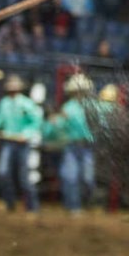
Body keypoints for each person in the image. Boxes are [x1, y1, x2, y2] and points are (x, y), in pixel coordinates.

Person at [0, 74, 43, 214]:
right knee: (3, 173)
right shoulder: (4, 103)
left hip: (22, 144)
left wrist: (26, 134)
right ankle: (9, 203)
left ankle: (33, 207)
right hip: (9, 143)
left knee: (24, 177)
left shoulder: (26, 103)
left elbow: (36, 121)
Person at [45, 73, 96, 214]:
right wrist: (55, 122)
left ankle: (81, 204)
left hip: (86, 146)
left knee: (87, 179)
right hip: (73, 146)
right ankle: (74, 207)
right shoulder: (68, 107)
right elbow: (61, 125)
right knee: (71, 177)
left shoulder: (91, 106)